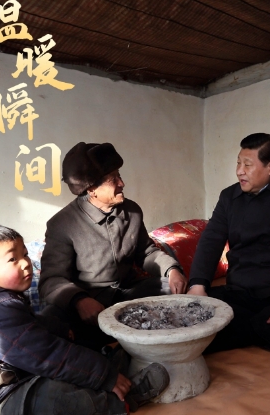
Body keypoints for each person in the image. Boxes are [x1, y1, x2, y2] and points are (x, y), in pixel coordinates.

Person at [0, 224, 170, 415]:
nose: (26, 263)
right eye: (13, 259)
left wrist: (59, 329)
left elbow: (27, 328)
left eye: (25, 254)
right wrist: (104, 375)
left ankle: (106, 371)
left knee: (61, 328)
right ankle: (121, 401)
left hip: (15, 375)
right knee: (54, 397)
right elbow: (44, 354)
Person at [38, 142, 188, 351]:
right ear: (91, 188)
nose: (122, 183)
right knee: (47, 323)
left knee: (181, 293)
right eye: (113, 179)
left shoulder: (131, 211)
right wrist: (80, 300)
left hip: (128, 294)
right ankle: (109, 352)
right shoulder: (62, 225)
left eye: (119, 175)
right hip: (90, 303)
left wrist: (171, 270)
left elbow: (146, 252)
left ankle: (125, 346)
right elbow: (51, 280)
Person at [187, 133, 270, 353]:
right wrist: (197, 286)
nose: (239, 171)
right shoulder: (228, 197)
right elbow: (210, 241)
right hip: (239, 292)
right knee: (188, 307)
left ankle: (257, 326)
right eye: (238, 163)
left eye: (247, 164)